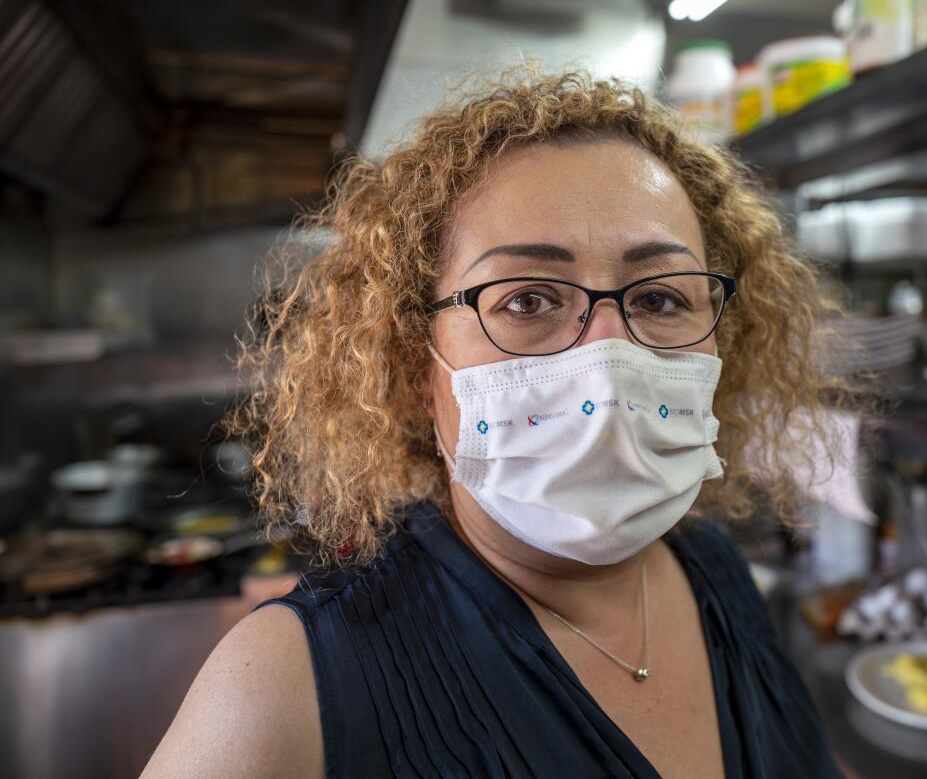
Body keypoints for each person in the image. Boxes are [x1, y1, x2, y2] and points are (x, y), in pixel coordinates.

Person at [142, 69, 848, 779]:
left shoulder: (716, 569)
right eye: (529, 299)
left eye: (661, 299)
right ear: (415, 360)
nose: (607, 359)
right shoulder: (283, 688)